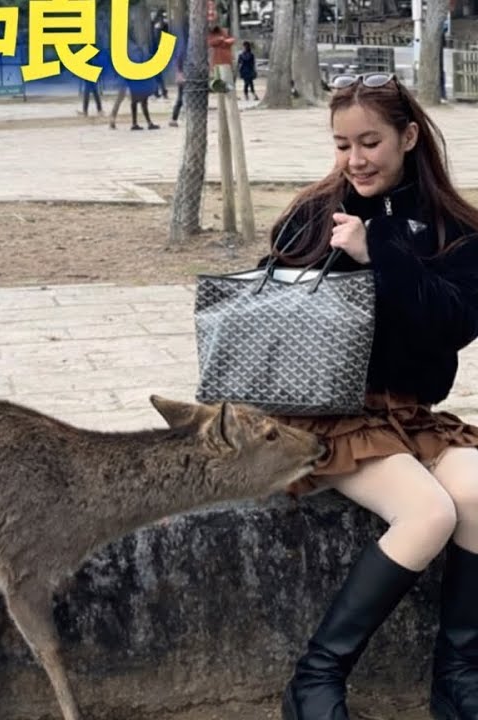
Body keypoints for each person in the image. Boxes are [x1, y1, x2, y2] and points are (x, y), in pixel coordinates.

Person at [263, 73, 478, 720]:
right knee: (429, 514)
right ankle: (316, 679)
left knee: (475, 493)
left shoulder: (455, 228)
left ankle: (458, 679)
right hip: (329, 413)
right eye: (341, 145)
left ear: (409, 137)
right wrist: (340, 254)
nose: (355, 159)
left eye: (370, 142)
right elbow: (274, 314)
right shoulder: (311, 213)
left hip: (410, 413)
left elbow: (453, 324)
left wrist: (378, 250)